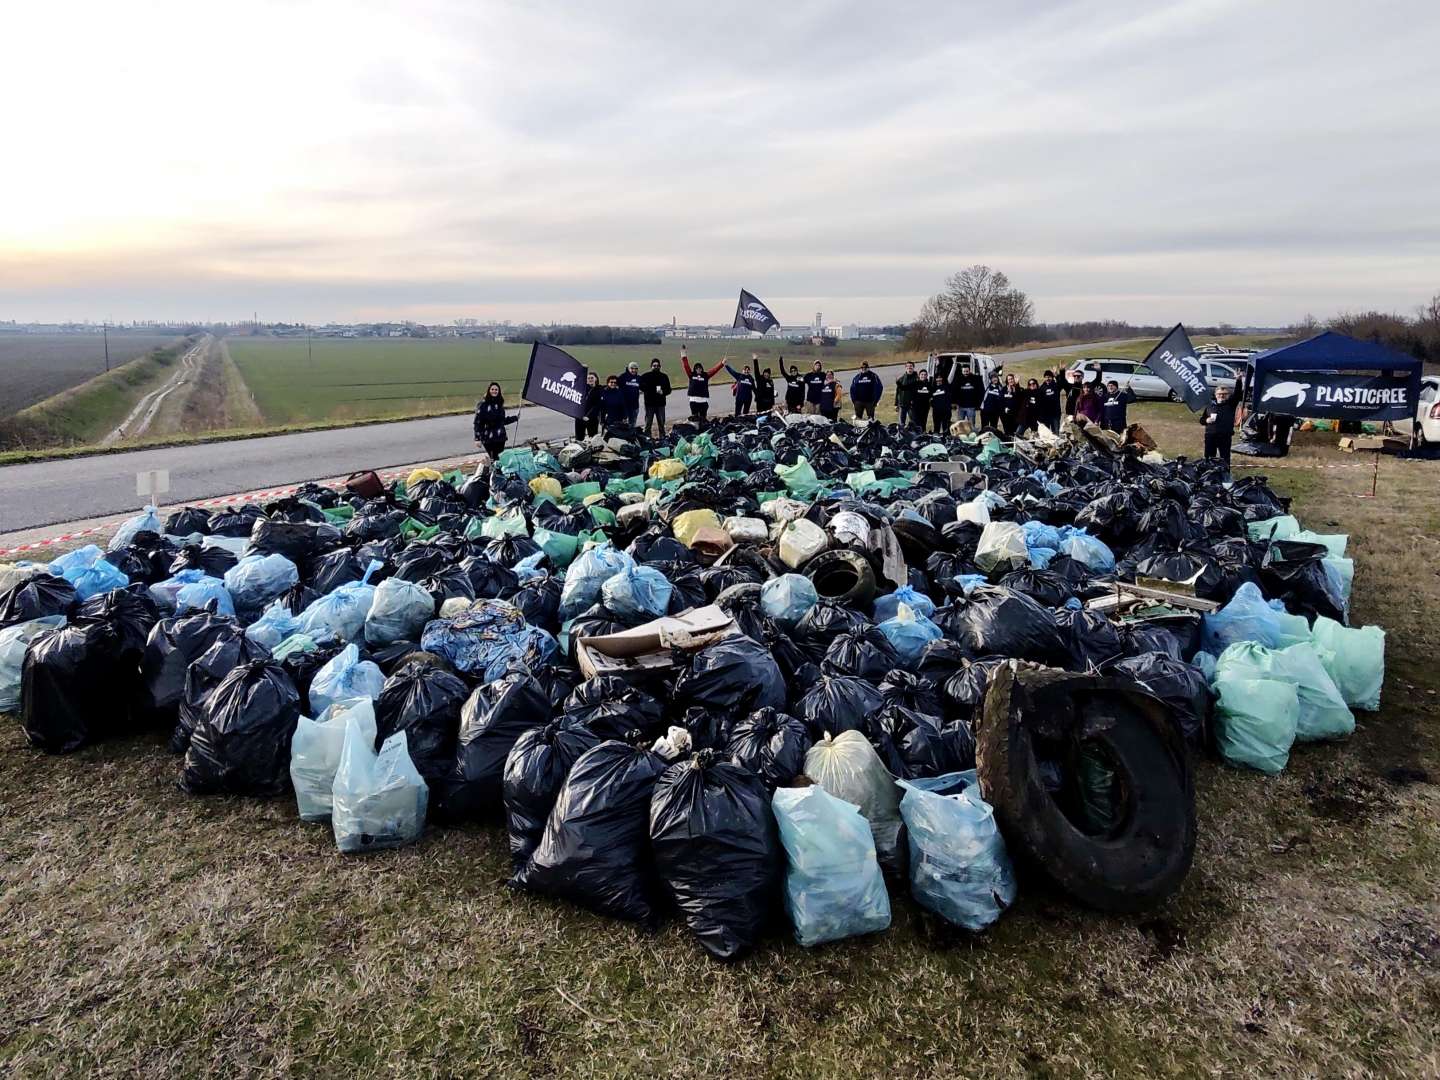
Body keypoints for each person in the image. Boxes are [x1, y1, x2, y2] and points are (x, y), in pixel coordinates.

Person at [473, 381, 519, 459]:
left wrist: (515, 418)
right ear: (489, 390)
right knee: (493, 459)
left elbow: (502, 421)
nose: (494, 391)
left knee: (500, 459)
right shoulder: (483, 405)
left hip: (500, 437)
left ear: (499, 391)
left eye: (496, 390)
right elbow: (477, 422)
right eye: (492, 389)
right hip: (488, 438)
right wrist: (477, 438)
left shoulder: (499, 404)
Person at [681, 352, 725, 424]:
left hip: (703, 402)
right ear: (695, 369)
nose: (698, 369)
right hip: (693, 402)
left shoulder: (706, 375)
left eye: (700, 368)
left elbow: (714, 370)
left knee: (703, 419)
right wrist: (683, 355)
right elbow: (686, 366)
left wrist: (722, 363)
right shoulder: (691, 375)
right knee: (695, 419)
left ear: (702, 369)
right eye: (697, 368)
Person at [1201, 384, 1238, 465]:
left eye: (1224, 394)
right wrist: (1207, 420)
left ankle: (1225, 476)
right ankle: (1208, 475)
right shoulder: (1210, 406)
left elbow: (1238, 393)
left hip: (1225, 436)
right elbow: (1202, 420)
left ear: (1228, 395)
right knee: (1209, 458)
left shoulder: (1231, 405)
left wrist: (1239, 380)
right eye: (1219, 394)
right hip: (1210, 435)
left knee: (1224, 458)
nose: (1222, 396)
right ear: (1215, 395)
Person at [638, 358, 671, 437]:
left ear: (660, 366)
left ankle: (662, 438)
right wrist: (647, 390)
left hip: (660, 404)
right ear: (651, 366)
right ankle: (647, 439)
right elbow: (640, 386)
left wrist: (663, 392)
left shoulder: (664, 376)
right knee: (648, 424)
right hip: (649, 404)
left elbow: (669, 390)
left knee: (661, 424)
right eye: (654, 365)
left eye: (657, 365)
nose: (656, 367)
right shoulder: (645, 376)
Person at [953, 362, 983, 428]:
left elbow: (979, 391)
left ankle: (972, 436)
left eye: (967, 371)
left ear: (969, 371)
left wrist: (977, 404)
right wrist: (956, 403)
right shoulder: (958, 379)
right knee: (960, 425)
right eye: (964, 371)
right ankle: (961, 437)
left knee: (972, 425)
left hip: (971, 407)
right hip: (961, 407)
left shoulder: (975, 379)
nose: (966, 373)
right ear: (962, 371)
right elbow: (954, 392)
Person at [575, 371, 602, 440]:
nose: (590, 379)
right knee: (579, 438)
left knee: (593, 438)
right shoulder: (582, 389)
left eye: (592, 378)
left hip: (591, 418)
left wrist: (588, 416)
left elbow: (597, 406)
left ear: (596, 379)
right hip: (580, 417)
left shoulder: (599, 390)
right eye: (588, 378)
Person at [894, 361, 919, 427]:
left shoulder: (917, 379)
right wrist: (896, 404)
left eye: (911, 366)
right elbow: (897, 392)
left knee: (914, 422)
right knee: (901, 423)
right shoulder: (901, 379)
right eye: (908, 366)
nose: (909, 367)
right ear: (906, 368)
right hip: (902, 404)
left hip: (912, 405)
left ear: (913, 367)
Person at [619, 362, 643, 428]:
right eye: (632, 368)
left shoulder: (639, 378)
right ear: (628, 368)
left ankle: (631, 436)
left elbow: (645, 387)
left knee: (632, 424)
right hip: (624, 406)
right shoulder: (623, 377)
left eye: (636, 369)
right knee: (623, 425)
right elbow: (615, 385)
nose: (634, 370)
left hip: (635, 406)